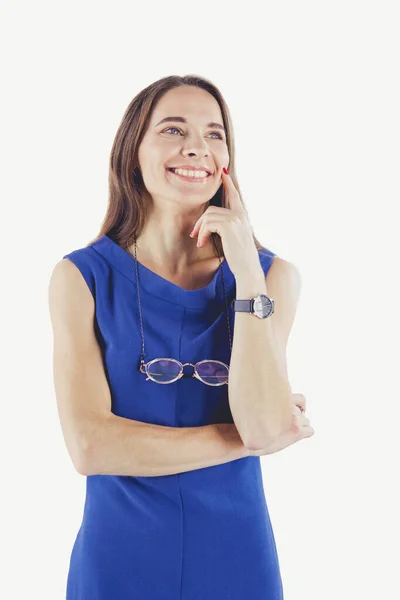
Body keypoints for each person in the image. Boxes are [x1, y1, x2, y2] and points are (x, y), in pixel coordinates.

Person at [48, 74, 314, 600]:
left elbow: (262, 422)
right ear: (133, 154)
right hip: (119, 559)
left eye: (215, 134)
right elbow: (90, 448)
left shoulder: (273, 278)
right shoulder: (81, 279)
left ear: (226, 162)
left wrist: (247, 273)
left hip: (237, 558)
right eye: (174, 129)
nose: (197, 146)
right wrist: (248, 440)